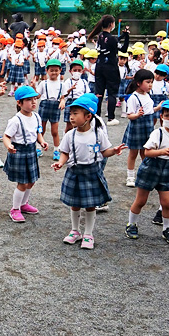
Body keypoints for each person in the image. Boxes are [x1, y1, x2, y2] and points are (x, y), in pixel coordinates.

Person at [53, 96, 126, 249]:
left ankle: (88, 234)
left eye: (75, 113)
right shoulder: (69, 135)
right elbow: (65, 152)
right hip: (74, 172)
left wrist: (114, 151)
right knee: (74, 204)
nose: (71, 117)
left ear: (88, 116)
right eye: (71, 113)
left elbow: (105, 151)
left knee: (90, 205)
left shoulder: (98, 134)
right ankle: (75, 230)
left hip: (92, 172)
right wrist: (60, 162)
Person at [124, 99, 169, 245]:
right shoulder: (158, 133)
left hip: (167, 168)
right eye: (167, 115)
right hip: (151, 167)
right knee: (141, 200)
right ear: (161, 117)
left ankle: (167, 228)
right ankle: (131, 224)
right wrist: (161, 151)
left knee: (166, 202)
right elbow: (147, 152)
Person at [3, 85, 48, 223]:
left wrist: (42, 141)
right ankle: (15, 209)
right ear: (19, 103)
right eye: (29, 100)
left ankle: (24, 203)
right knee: (22, 183)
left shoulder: (36, 116)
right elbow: (6, 136)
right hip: (19, 152)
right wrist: (9, 146)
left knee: (32, 181)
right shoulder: (15, 120)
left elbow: (38, 132)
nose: (33, 102)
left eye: (35, 99)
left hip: (31, 151)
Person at [88, 15, 129, 126]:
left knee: (99, 92)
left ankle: (96, 116)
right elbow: (123, 48)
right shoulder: (111, 38)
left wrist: (122, 35)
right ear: (111, 24)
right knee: (112, 93)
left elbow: (114, 41)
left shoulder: (100, 36)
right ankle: (111, 118)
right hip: (110, 67)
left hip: (100, 66)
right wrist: (127, 37)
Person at [123, 69, 156, 188]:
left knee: (145, 152)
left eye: (151, 82)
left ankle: (145, 175)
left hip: (148, 125)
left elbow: (150, 110)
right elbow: (129, 115)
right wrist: (137, 115)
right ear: (138, 83)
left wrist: (159, 107)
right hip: (137, 125)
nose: (150, 85)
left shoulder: (148, 95)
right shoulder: (133, 97)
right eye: (148, 82)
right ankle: (130, 176)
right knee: (133, 153)